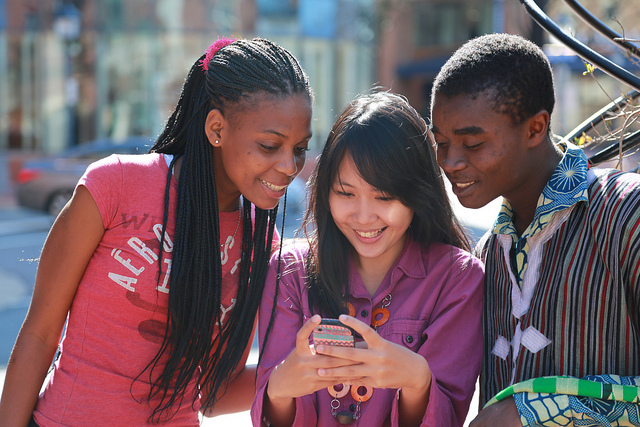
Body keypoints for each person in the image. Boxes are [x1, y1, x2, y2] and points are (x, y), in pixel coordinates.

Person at [0, 37, 314, 426]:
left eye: (300, 148)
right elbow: (38, 335)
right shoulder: (115, 185)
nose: (290, 166)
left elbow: (212, 395)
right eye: (270, 145)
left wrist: (298, 372)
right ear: (216, 128)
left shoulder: (259, 243)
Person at [430, 33, 640, 426]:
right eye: (440, 143)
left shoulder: (625, 213)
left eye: (472, 143)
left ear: (535, 129)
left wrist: (533, 413)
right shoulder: (487, 257)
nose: (451, 162)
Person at [251, 91, 484, 427]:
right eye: (345, 193)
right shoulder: (289, 271)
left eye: (384, 196)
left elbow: (447, 417)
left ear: (418, 193)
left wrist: (417, 380)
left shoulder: (458, 278)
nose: (363, 217)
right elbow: (269, 415)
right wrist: (281, 388)